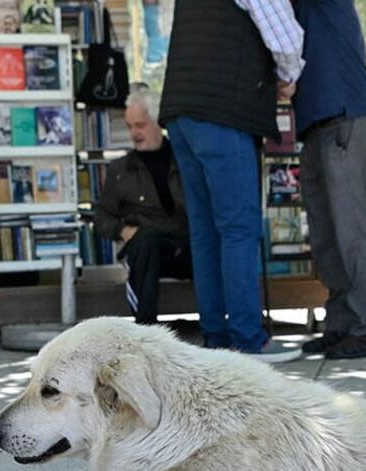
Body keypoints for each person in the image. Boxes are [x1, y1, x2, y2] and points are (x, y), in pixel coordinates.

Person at [159, 0, 304, 363]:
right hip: (223, 113)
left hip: (181, 111)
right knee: (239, 229)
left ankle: (217, 338)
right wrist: (289, 76)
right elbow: (285, 36)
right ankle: (247, 341)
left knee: (205, 232)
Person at [290, 0, 366, 359]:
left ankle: (365, 330)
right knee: (326, 238)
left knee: (350, 233)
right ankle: (341, 324)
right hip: (316, 124)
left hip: (345, 116)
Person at [93, 85, 191, 326]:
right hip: (149, 253)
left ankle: (222, 327)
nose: (134, 133)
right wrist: (125, 232)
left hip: (187, 247)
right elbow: (101, 219)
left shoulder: (186, 160)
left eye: (140, 125)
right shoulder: (120, 170)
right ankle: (145, 327)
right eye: (129, 127)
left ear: (158, 122)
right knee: (147, 239)